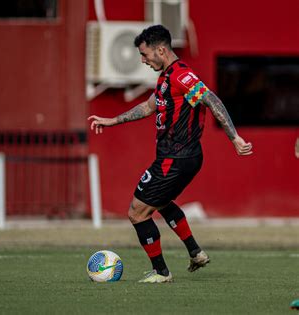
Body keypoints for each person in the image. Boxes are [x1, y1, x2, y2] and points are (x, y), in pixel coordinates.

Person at [87, 25, 253, 283]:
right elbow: (148, 106)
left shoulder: (181, 76)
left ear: (161, 50)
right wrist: (112, 120)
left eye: (145, 54)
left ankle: (161, 272)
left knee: (137, 212)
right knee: (160, 202)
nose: (142, 60)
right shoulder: (166, 77)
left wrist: (234, 137)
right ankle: (195, 252)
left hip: (176, 158)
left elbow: (211, 99)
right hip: (179, 157)